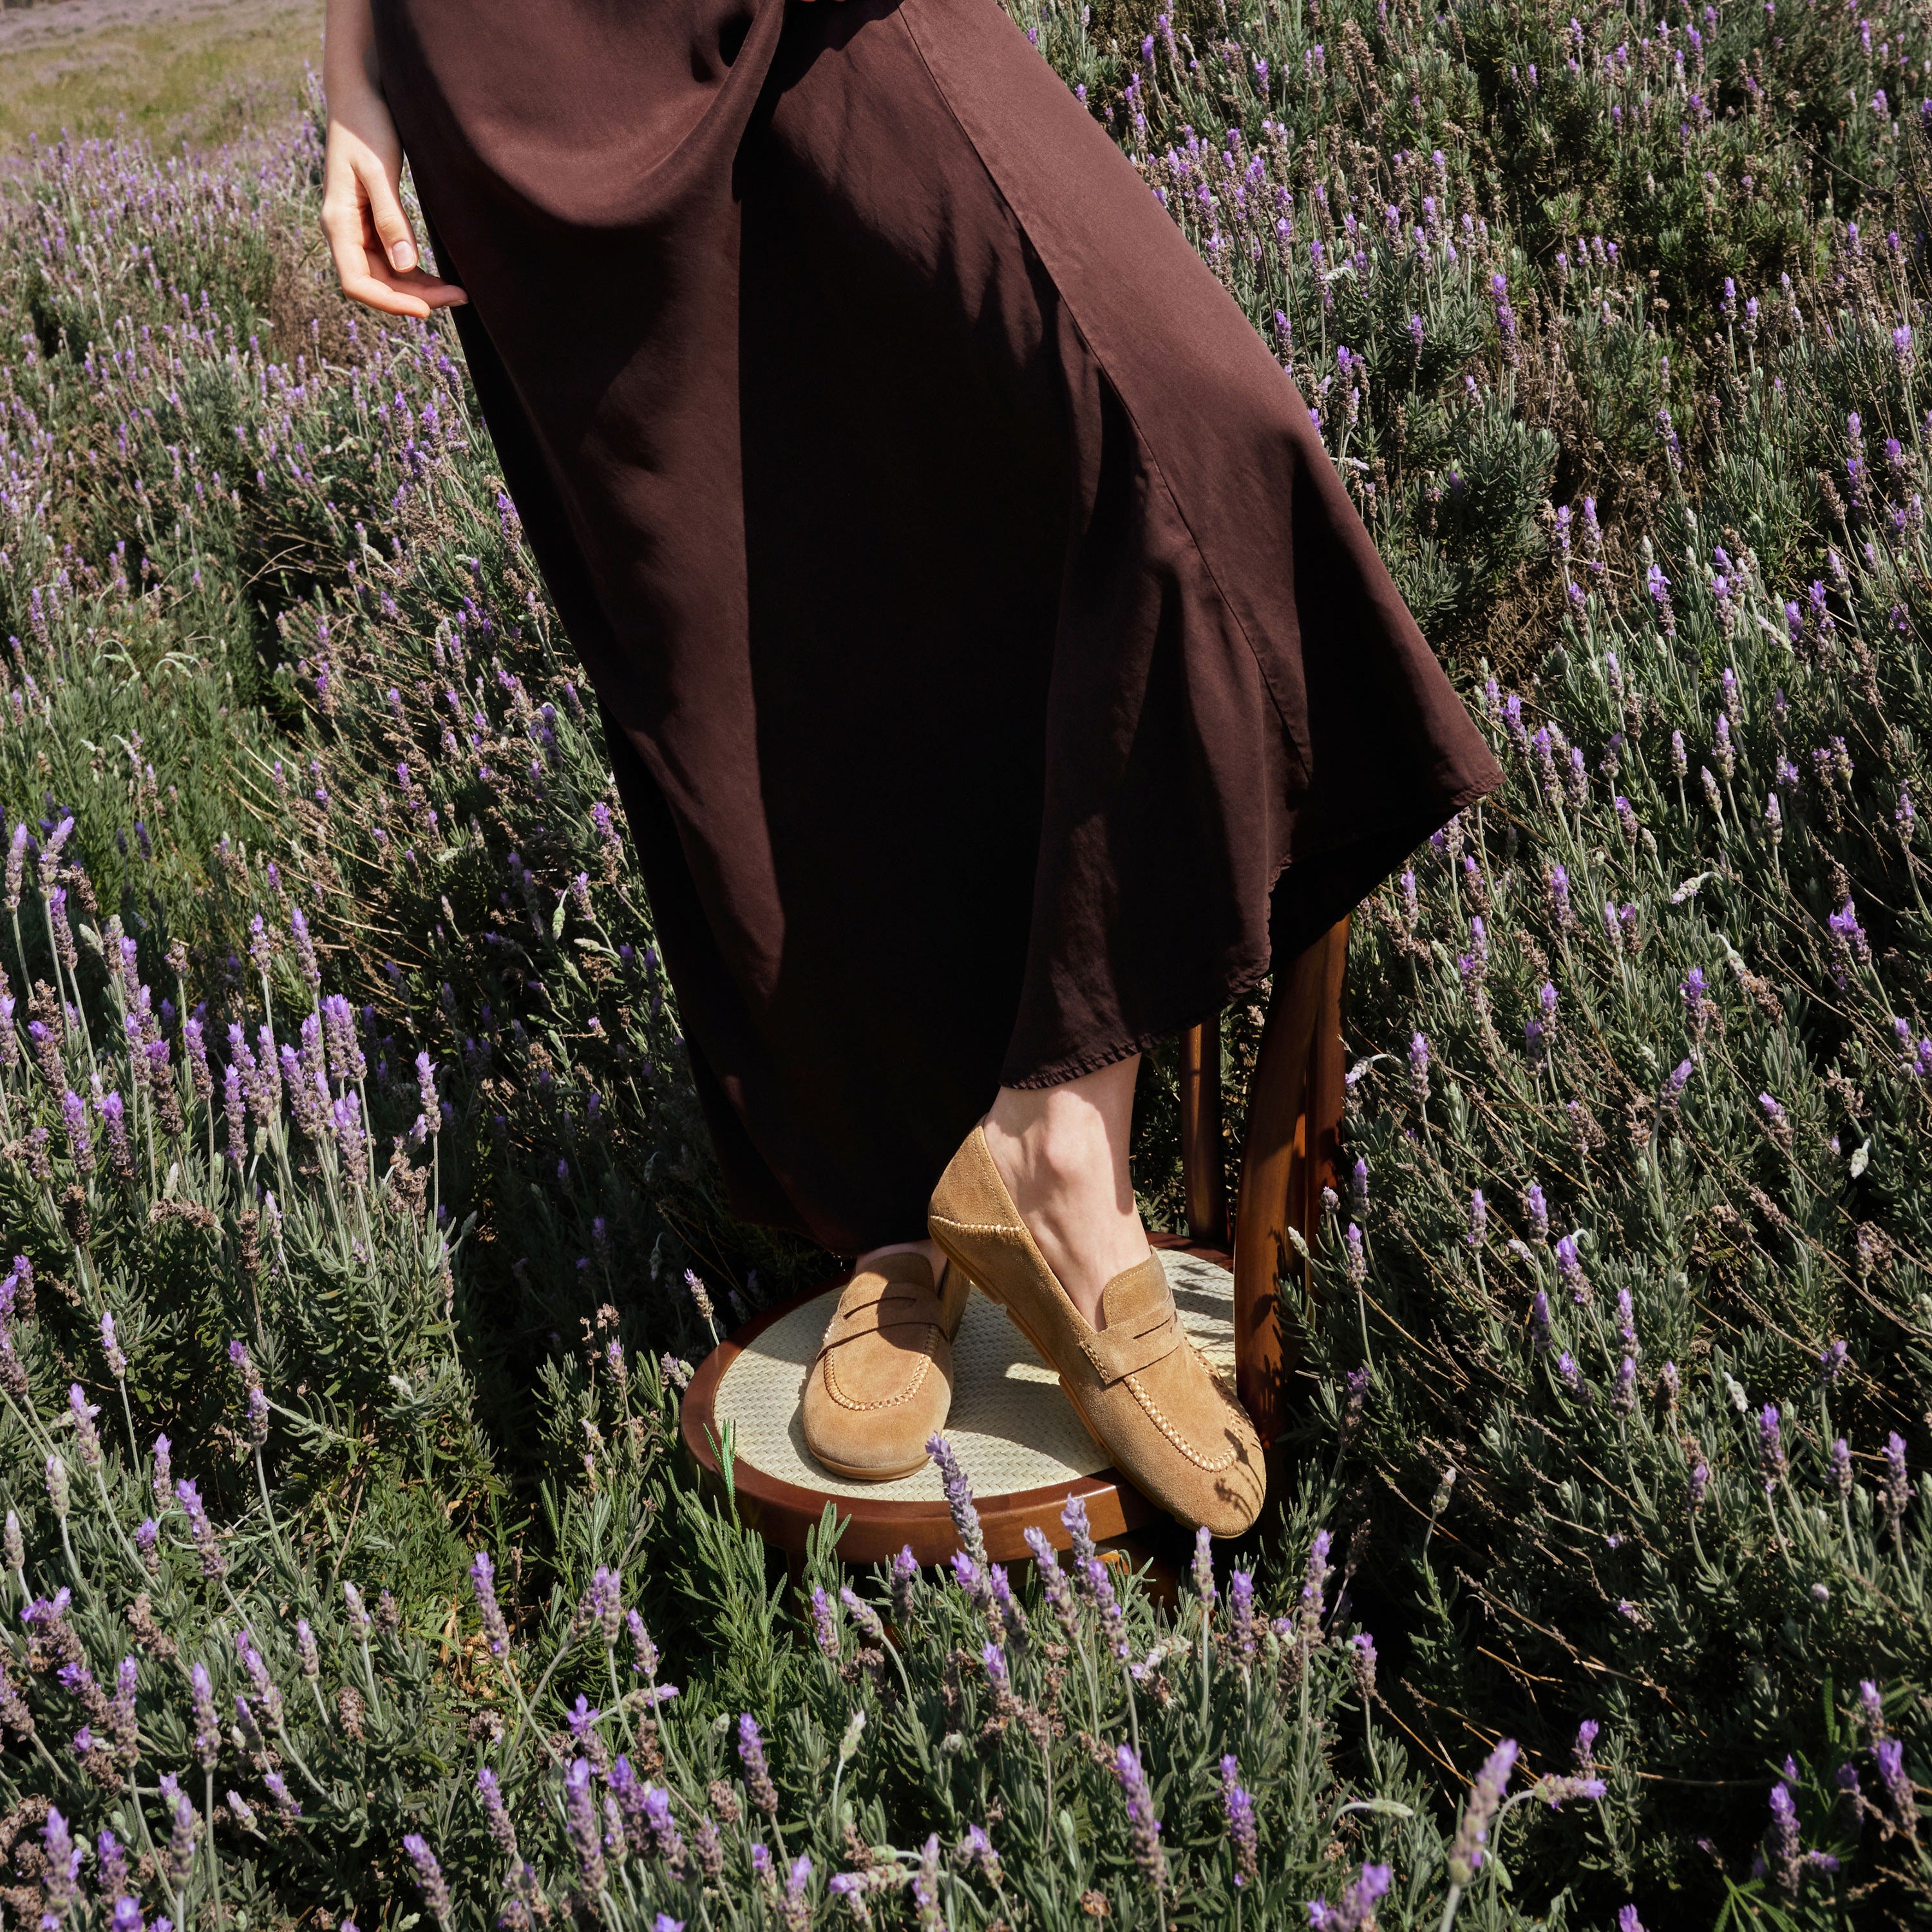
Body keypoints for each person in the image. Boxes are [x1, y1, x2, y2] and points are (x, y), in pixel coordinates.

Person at [323, 0, 1501, 1536]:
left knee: (1181, 428)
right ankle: (898, 1216)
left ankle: (1056, 1142)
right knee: (732, 630)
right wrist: (352, 62)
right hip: (521, 59)